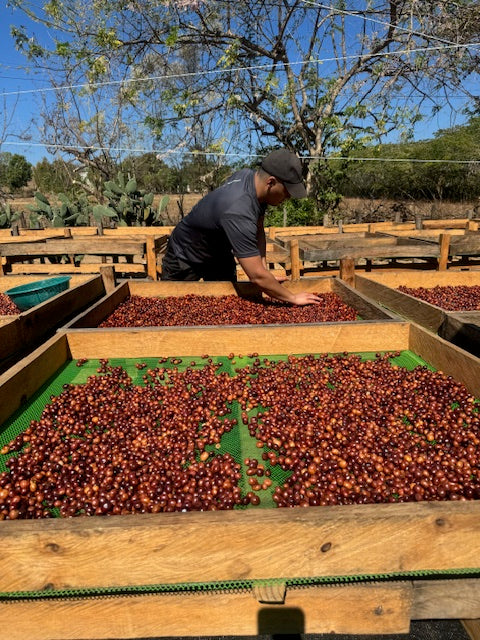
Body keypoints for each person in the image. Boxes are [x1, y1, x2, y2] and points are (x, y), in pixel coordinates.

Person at [161, 148, 322, 305]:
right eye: (287, 191)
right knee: (174, 308)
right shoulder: (238, 211)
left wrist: (265, 273)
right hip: (186, 254)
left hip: (218, 254)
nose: (288, 197)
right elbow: (256, 277)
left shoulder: (249, 178)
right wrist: (293, 298)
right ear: (271, 182)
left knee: (227, 307)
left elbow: (259, 230)